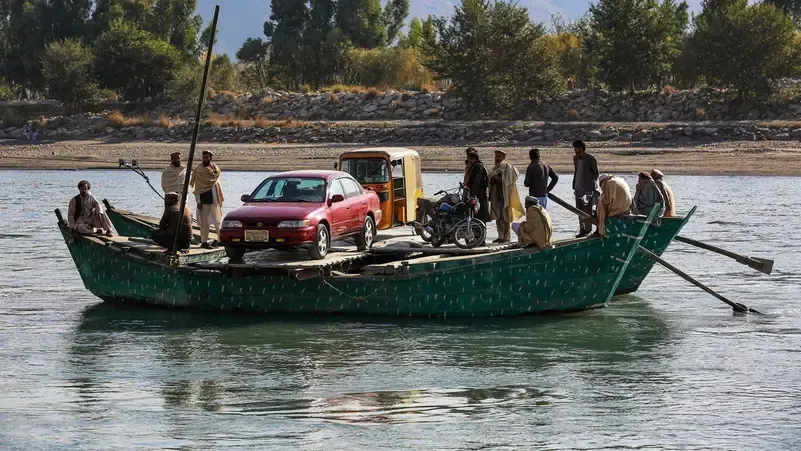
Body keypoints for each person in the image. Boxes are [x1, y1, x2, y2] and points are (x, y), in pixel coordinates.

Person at [190, 150, 224, 247]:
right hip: (204, 199)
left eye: (206, 157)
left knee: (217, 221)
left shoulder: (215, 169)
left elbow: (217, 183)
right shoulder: (199, 170)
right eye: (203, 157)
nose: (204, 159)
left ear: (210, 158)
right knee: (205, 222)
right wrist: (198, 201)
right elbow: (197, 188)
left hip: (215, 198)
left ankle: (220, 239)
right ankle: (204, 242)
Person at [489, 150, 524, 243]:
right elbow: (490, 180)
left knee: (505, 218)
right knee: (497, 217)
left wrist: (499, 178)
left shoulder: (508, 168)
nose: (497, 158)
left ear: (504, 158)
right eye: (496, 156)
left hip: (505, 197)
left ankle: (506, 237)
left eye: (499, 156)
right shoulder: (494, 169)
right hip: (495, 197)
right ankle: (500, 236)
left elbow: (513, 177)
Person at [572, 140, 599, 237]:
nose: (574, 150)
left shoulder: (590, 158)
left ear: (581, 148)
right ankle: (582, 231)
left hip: (588, 189)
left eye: (576, 148)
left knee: (588, 210)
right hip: (578, 189)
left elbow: (596, 173)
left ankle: (588, 230)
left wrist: (590, 185)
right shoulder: (575, 158)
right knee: (579, 210)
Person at [465, 150, 490, 223]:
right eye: (468, 159)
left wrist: (473, 195)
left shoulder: (478, 167)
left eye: (471, 159)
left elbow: (476, 182)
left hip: (480, 194)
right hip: (478, 193)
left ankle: (481, 232)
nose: (469, 160)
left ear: (475, 159)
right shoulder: (474, 166)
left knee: (480, 214)